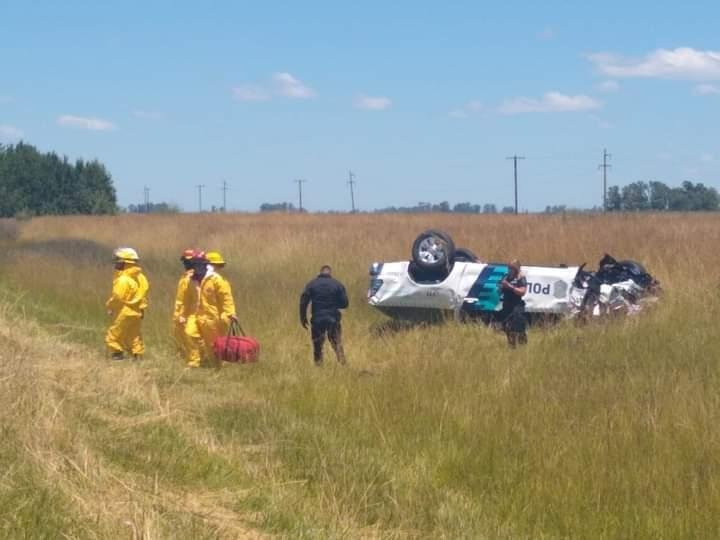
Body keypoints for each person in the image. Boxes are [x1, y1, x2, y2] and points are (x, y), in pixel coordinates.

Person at [185, 251, 238, 367]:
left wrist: (230, 313)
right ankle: (196, 362)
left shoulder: (216, 280)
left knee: (213, 344)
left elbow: (226, 297)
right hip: (198, 315)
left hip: (213, 318)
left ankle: (218, 366)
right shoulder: (194, 278)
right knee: (190, 333)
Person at [105, 247, 150, 360]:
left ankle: (117, 355)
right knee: (134, 336)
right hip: (137, 312)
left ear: (125, 262)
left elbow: (117, 297)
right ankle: (137, 356)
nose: (116, 263)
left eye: (118, 260)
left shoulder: (123, 280)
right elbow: (143, 295)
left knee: (114, 335)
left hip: (125, 311)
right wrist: (142, 309)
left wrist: (110, 306)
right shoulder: (141, 277)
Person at [300, 265, 349, 365]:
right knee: (336, 343)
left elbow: (303, 301)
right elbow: (345, 304)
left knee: (317, 345)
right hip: (333, 318)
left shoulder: (312, 284)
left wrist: (303, 317)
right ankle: (343, 364)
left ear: (320, 273)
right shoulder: (337, 284)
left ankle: (318, 366)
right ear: (330, 273)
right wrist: (335, 304)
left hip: (317, 319)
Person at [498, 259, 528, 348]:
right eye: (509, 268)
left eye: (512, 268)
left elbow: (522, 292)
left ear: (516, 269)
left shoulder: (521, 278)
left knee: (517, 326)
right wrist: (501, 287)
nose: (509, 270)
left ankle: (522, 343)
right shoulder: (506, 277)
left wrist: (510, 287)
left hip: (516, 305)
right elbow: (500, 291)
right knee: (507, 326)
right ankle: (511, 345)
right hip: (507, 304)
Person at [173, 249, 196, 356]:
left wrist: (183, 313)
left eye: (189, 261)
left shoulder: (193, 278)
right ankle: (182, 352)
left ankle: (193, 356)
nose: (186, 264)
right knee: (178, 332)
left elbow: (189, 299)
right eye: (185, 261)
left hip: (188, 311)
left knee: (189, 333)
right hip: (180, 310)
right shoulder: (185, 276)